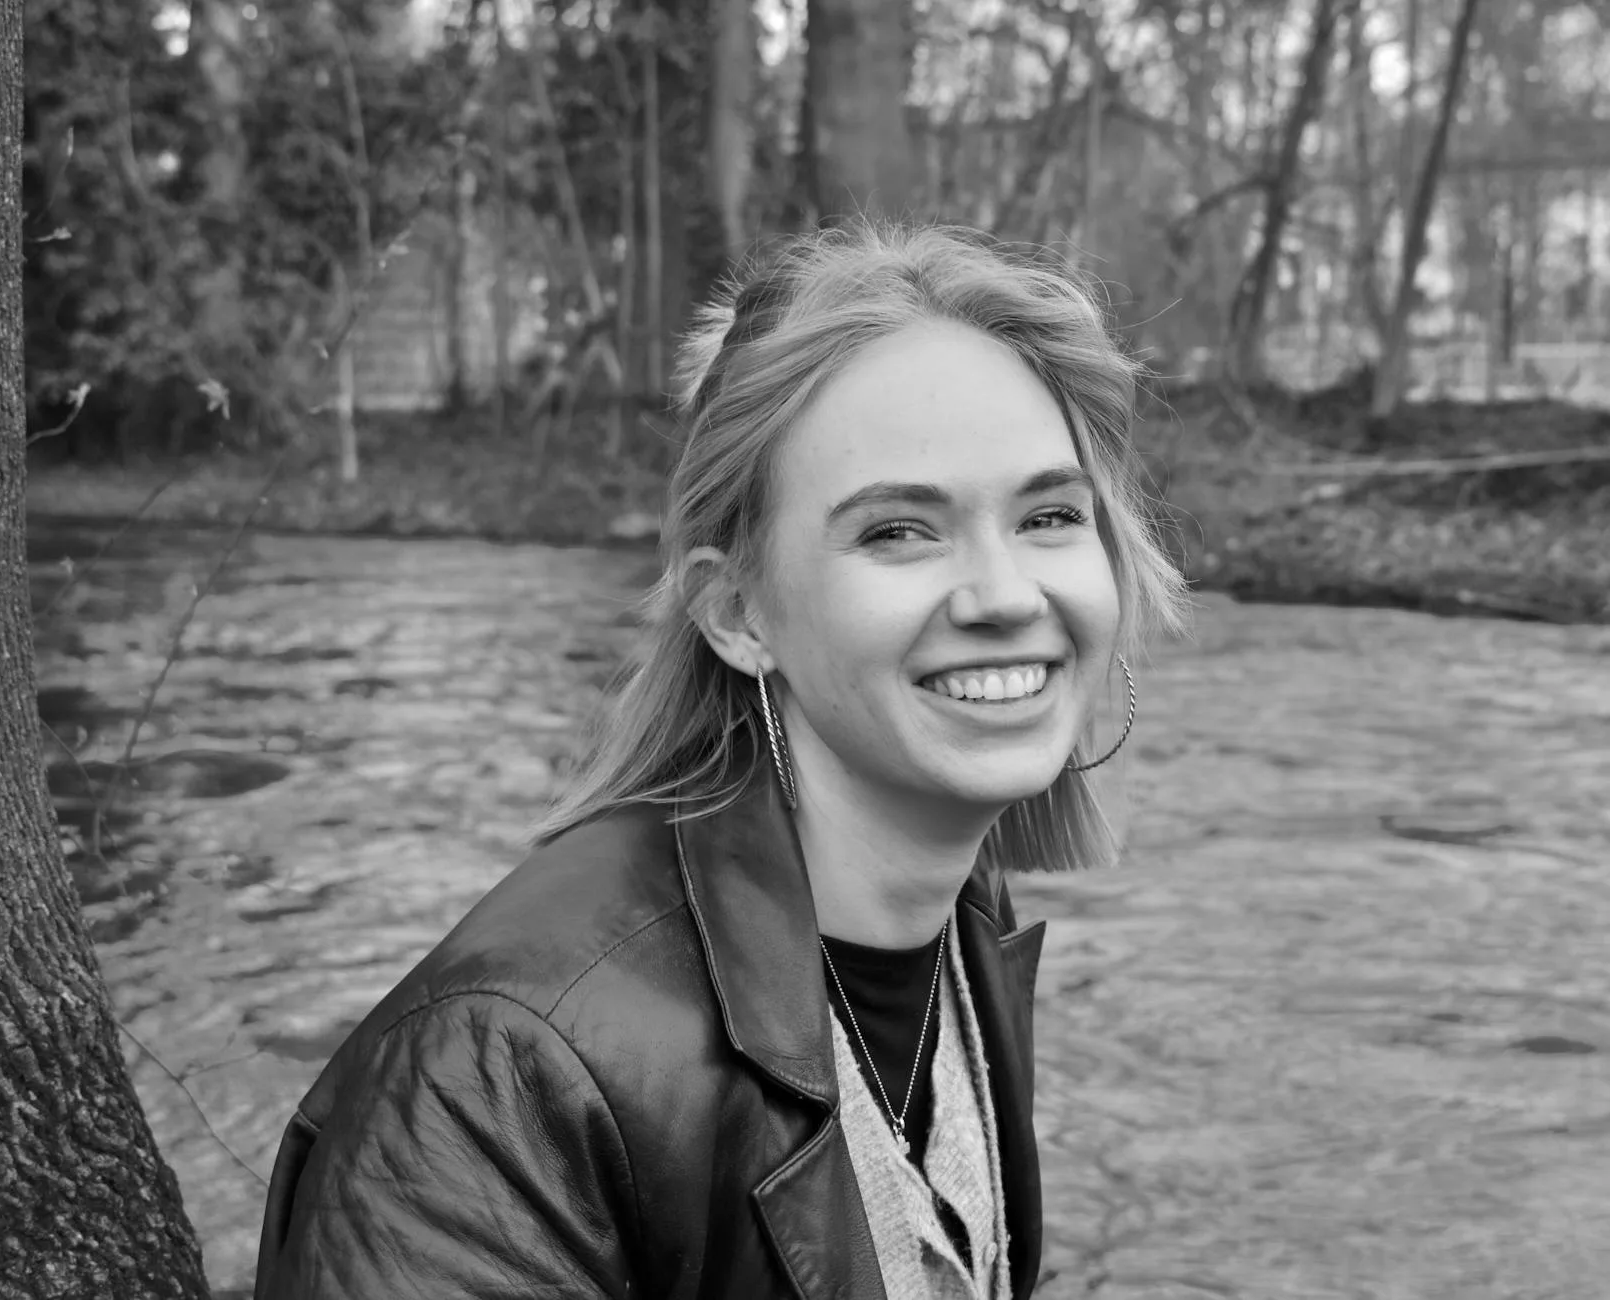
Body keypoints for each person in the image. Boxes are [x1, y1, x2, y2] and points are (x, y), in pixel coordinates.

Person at [253, 220, 1190, 1300]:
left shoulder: (962, 916)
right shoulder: (499, 1073)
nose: (1005, 595)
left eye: (1051, 515)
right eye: (898, 531)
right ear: (737, 612)